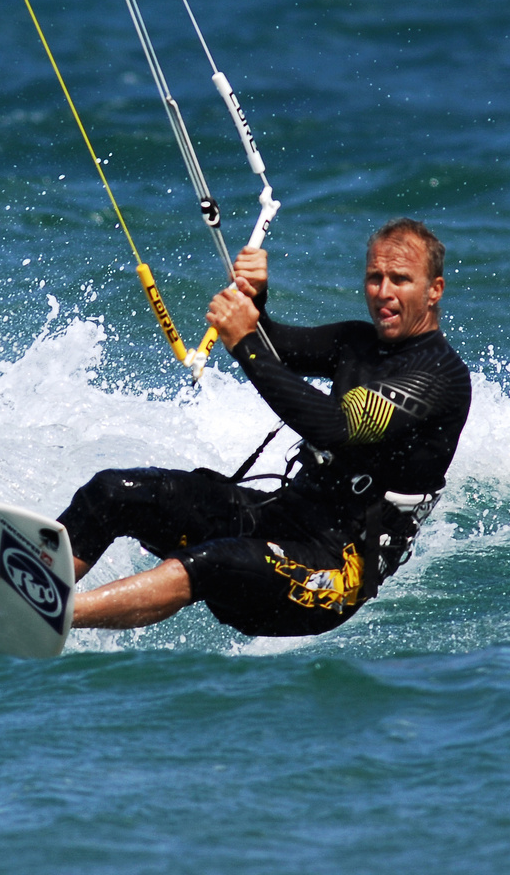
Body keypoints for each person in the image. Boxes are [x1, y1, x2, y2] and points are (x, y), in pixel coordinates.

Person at [59, 218, 472, 636]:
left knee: (213, 561)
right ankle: (23, 584)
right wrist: (257, 299)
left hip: (333, 572)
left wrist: (243, 342)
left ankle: (52, 616)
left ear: (434, 289)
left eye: (400, 279)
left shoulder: (440, 376)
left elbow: (336, 426)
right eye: (374, 277)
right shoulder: (357, 341)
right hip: (281, 517)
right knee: (114, 493)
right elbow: (276, 348)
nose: (384, 292)